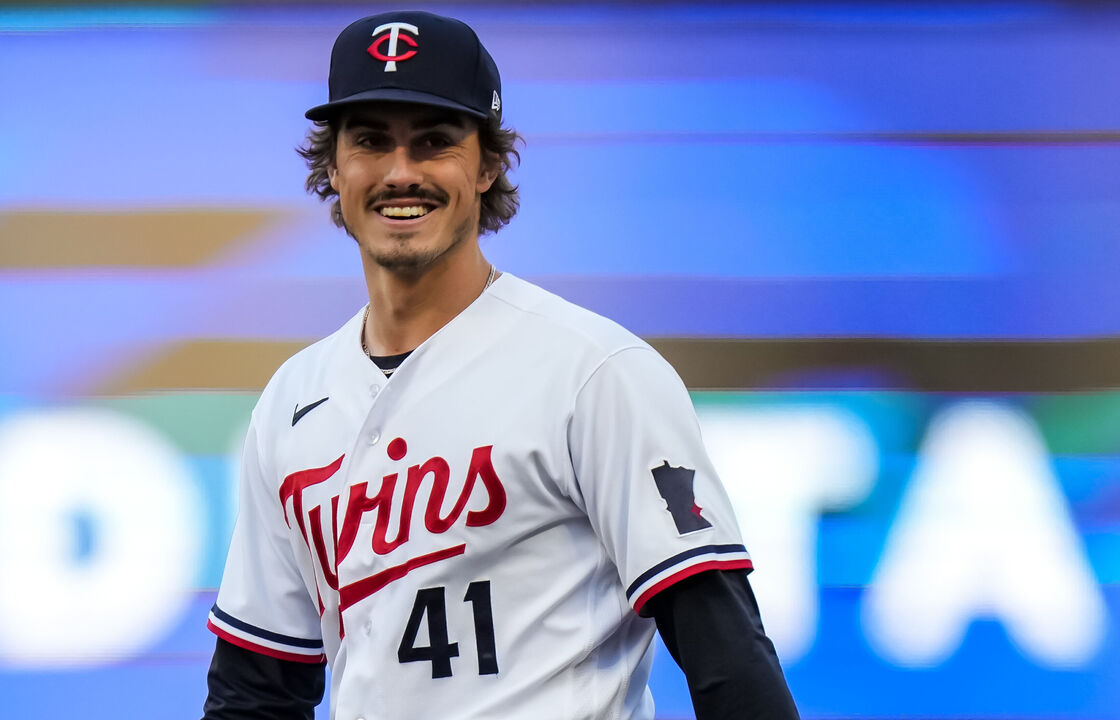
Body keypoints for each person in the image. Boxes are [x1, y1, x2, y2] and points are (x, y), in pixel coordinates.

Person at [203, 10, 799, 720]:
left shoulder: (593, 371)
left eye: (434, 143)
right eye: (369, 142)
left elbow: (726, 655)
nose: (400, 172)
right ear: (333, 166)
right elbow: (255, 690)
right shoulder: (293, 399)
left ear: (488, 164)